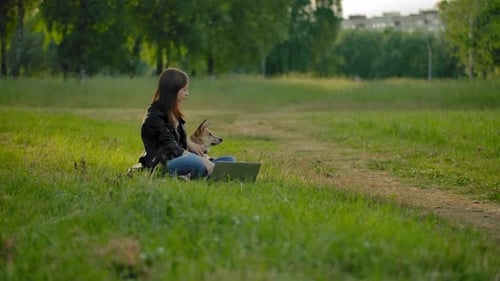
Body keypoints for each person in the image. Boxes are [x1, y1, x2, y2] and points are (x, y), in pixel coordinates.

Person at [138, 67, 235, 180]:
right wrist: (200, 160)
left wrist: (191, 145)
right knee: (196, 162)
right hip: (161, 165)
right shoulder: (154, 117)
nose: (187, 94)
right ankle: (202, 174)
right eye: (184, 90)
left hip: (179, 159)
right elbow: (170, 147)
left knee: (229, 161)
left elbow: (176, 137)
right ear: (172, 90)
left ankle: (192, 175)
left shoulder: (173, 113)